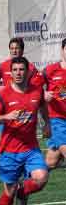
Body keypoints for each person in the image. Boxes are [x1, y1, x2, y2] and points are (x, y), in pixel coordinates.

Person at [0, 56, 50, 205]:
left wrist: (47, 124)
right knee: (9, 190)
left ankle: (23, 193)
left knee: (42, 177)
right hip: (9, 151)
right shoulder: (4, 94)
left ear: (28, 71)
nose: (18, 73)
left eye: (21, 70)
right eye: (14, 70)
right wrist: (6, 117)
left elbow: (42, 106)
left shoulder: (36, 91)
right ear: (10, 72)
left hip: (30, 148)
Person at [43, 38, 66, 170]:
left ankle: (25, 182)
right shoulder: (50, 70)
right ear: (62, 50)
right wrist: (43, 94)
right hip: (57, 120)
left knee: (51, 162)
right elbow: (35, 86)